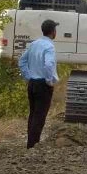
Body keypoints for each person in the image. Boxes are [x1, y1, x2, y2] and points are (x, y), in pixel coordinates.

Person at [19, 19, 60, 148]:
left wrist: (28, 76)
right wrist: (49, 80)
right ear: (53, 32)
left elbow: (21, 61)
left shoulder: (34, 44)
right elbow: (48, 64)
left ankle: (30, 143)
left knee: (33, 114)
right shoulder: (49, 46)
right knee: (40, 115)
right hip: (43, 84)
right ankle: (33, 145)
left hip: (32, 83)